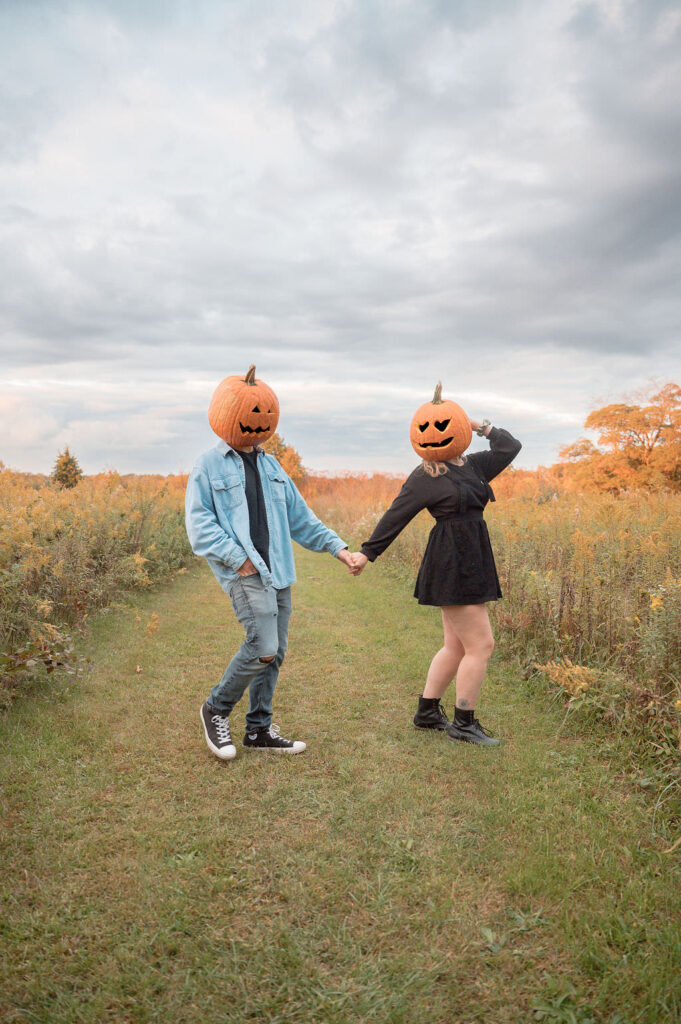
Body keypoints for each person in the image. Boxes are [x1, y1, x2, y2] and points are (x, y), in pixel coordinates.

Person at [186, 364, 360, 761]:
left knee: (275, 651)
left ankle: (259, 730)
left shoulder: (272, 465)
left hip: (279, 572)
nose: (258, 420)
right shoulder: (208, 465)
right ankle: (215, 708)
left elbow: (301, 518)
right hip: (245, 573)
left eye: (266, 413)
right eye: (251, 412)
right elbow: (199, 525)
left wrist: (339, 548)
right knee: (262, 645)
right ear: (224, 412)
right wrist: (238, 559)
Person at [352, 387, 521, 746]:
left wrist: (480, 426)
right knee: (482, 645)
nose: (437, 433)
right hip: (451, 561)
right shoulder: (426, 474)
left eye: (447, 425)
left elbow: (510, 447)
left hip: (473, 556)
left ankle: (427, 713)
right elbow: (395, 515)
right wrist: (367, 553)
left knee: (457, 646)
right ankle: (463, 722)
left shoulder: (474, 464)